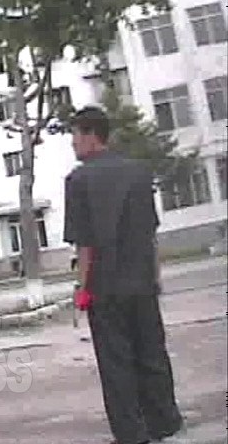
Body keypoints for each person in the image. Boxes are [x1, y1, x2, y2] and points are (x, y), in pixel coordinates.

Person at [63, 107, 184, 444]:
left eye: (74, 135)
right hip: (142, 281)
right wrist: (155, 276)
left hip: (105, 288)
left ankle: (131, 432)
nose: (72, 144)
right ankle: (165, 420)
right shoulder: (139, 172)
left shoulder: (78, 180)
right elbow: (150, 232)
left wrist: (82, 288)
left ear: (90, 135)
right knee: (152, 353)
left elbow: (85, 244)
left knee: (116, 364)